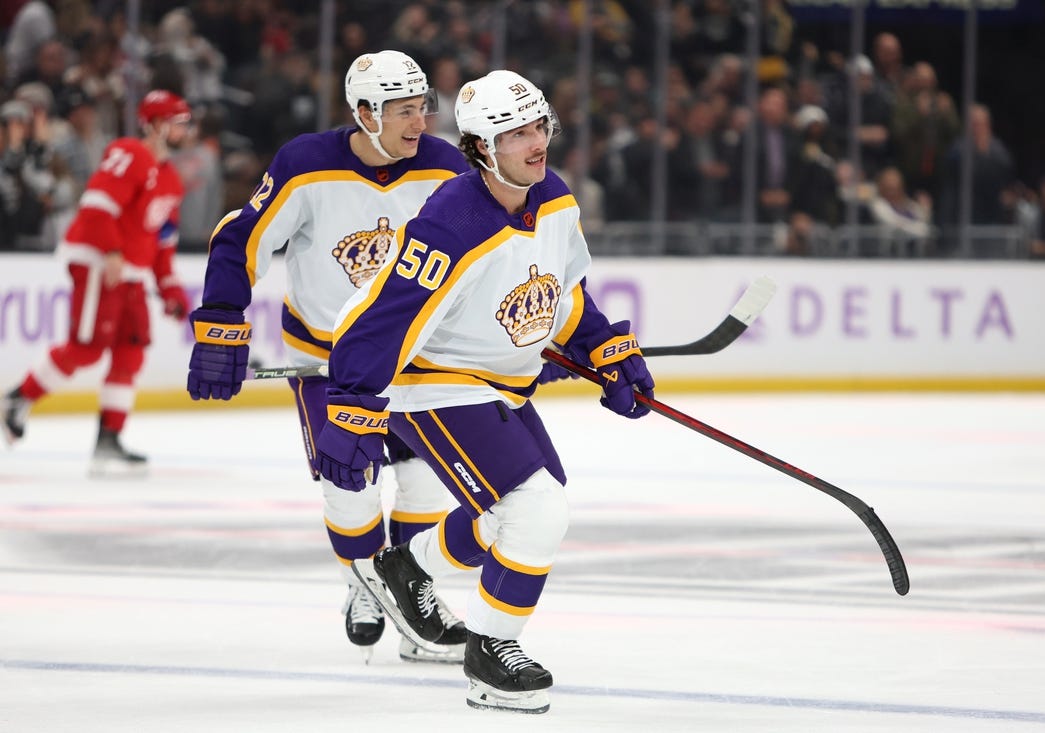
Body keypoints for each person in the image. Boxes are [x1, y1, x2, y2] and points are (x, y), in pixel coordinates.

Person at [318, 70, 655, 714]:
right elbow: (385, 316)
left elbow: (562, 292)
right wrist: (354, 405)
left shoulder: (552, 197)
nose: (537, 144)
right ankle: (491, 655)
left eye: (540, 128)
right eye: (518, 134)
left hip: (499, 382)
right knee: (536, 510)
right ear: (480, 148)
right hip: (431, 382)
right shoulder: (454, 220)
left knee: (511, 511)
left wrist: (606, 349)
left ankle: (406, 566)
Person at [185, 51, 471, 665]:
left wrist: (526, 343)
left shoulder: (448, 169)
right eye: (401, 111)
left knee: (424, 479)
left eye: (423, 107)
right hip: (328, 358)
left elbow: (489, 259)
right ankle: (364, 585)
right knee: (351, 485)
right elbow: (242, 239)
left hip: (416, 357)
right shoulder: (306, 163)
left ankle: (414, 597)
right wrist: (220, 321)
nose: (418, 122)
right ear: (364, 113)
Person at [1, 90, 191, 476]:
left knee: (131, 351)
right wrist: (112, 253)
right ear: (155, 124)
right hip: (99, 262)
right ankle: (16, 400)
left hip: (130, 271)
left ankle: (109, 438)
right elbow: (98, 204)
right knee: (86, 347)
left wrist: (170, 288)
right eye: (177, 122)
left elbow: (162, 243)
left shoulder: (172, 181)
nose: (184, 131)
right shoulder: (129, 153)